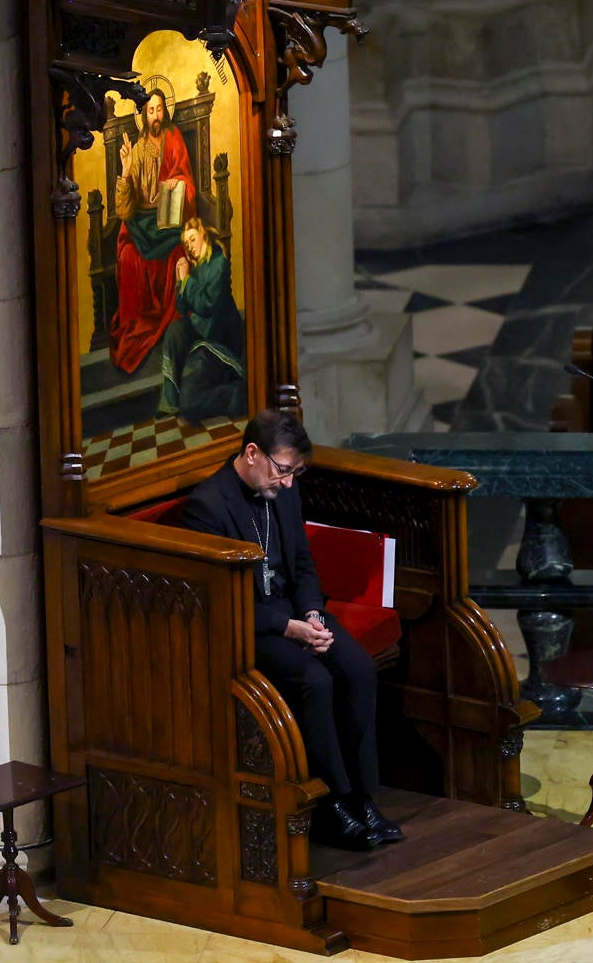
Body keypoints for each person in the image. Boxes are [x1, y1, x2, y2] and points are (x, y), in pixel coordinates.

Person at [182, 412, 400, 852]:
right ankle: (333, 806)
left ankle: (364, 798)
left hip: (295, 613)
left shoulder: (285, 493)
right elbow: (223, 600)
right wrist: (288, 627)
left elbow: (302, 564)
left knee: (357, 669)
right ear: (252, 453)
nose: (287, 482)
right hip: (250, 625)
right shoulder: (208, 506)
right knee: (315, 680)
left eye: (295, 473)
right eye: (283, 470)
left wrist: (314, 614)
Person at [110, 87, 197, 374]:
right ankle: (136, 325)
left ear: (165, 111)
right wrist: (125, 170)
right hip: (142, 222)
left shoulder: (173, 139)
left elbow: (186, 178)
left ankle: (173, 325)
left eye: (159, 109)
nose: (155, 115)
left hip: (168, 223)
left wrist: (177, 184)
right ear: (143, 115)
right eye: (150, 110)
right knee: (128, 258)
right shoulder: (135, 150)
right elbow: (124, 210)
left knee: (175, 256)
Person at [158, 217, 246, 423]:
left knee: (189, 405)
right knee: (174, 330)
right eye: (186, 243)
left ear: (203, 236)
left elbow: (207, 305)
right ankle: (169, 401)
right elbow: (182, 308)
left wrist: (187, 280)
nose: (189, 247)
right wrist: (181, 280)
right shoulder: (196, 268)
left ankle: (236, 393)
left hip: (219, 344)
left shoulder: (219, 263)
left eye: (192, 239)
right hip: (202, 339)